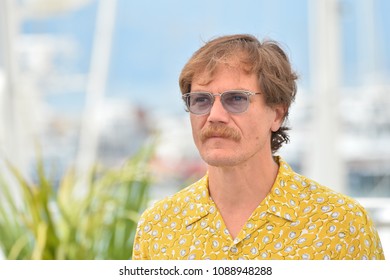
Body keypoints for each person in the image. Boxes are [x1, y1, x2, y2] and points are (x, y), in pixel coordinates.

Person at [132, 34, 385, 260]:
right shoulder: (158, 227)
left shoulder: (342, 226)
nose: (215, 115)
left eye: (236, 99)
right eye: (201, 100)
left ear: (277, 114)